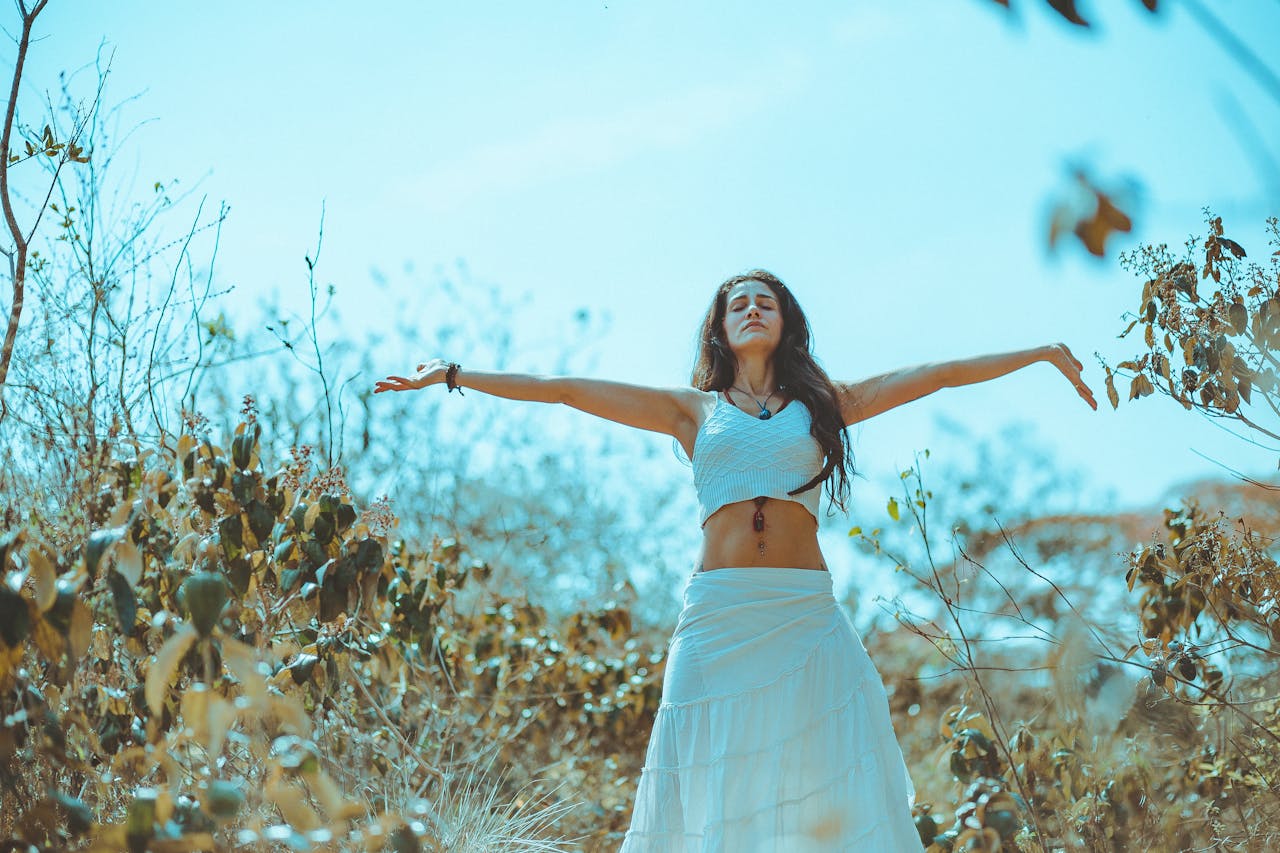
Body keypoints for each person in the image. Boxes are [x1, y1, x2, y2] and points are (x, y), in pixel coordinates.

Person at [374, 269, 1096, 852]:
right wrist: (454, 374)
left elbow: (935, 374)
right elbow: (565, 390)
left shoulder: (824, 405)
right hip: (717, 619)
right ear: (720, 328)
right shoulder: (692, 410)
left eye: (766, 302)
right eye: (737, 304)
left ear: (786, 322)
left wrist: (1035, 354)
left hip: (803, 616)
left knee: (825, 779)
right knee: (702, 780)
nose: (752, 310)